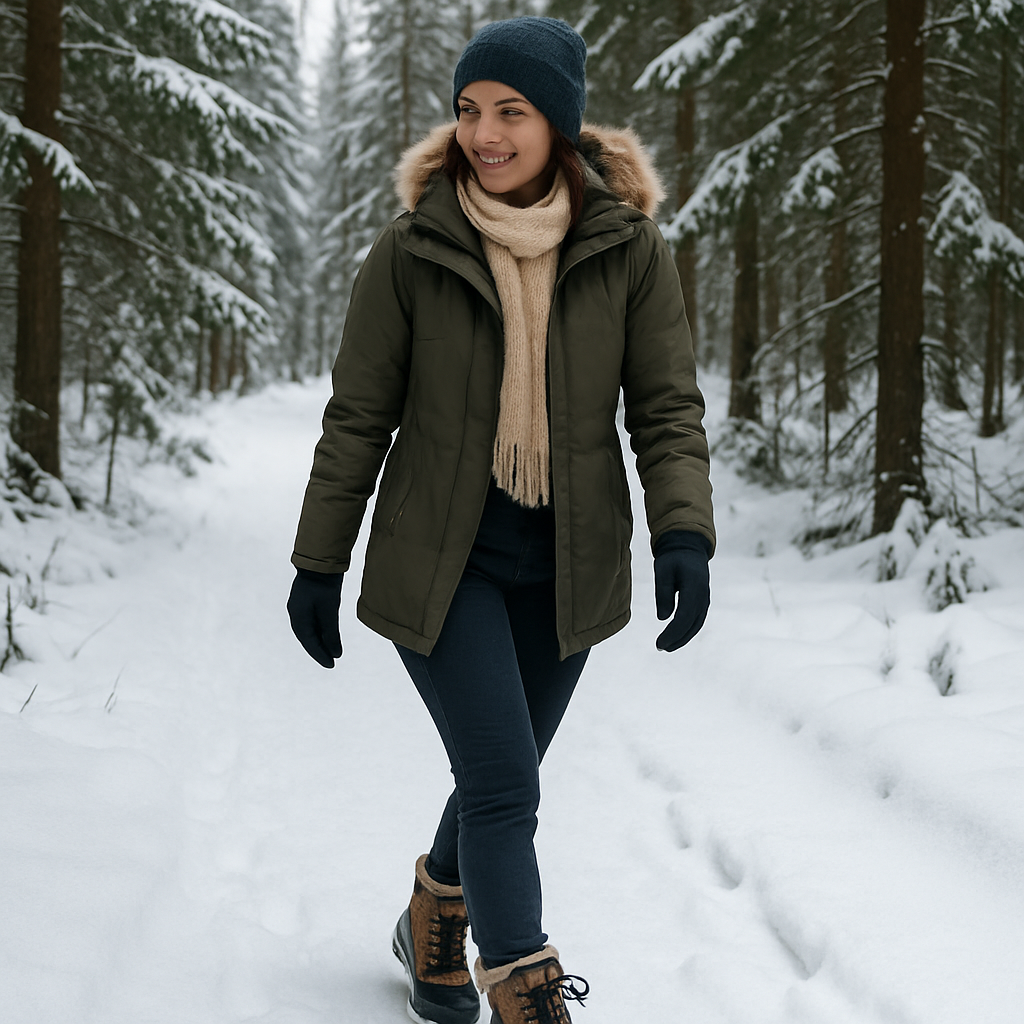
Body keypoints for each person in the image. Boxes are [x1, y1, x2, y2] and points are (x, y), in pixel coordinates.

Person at [287, 16, 715, 1024]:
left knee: (500, 775)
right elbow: (359, 414)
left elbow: (663, 407)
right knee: (504, 782)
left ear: (557, 126)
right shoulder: (413, 249)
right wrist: (319, 559)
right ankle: (524, 986)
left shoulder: (626, 248)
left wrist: (682, 533)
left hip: (567, 567)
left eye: (510, 111)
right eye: (469, 110)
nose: (484, 132)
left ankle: (432, 912)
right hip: (443, 565)